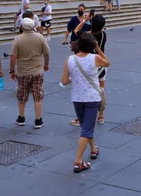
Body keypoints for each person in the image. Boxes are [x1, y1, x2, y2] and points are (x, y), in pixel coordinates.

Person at [61, 33, 109, 173]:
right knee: (86, 129)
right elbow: (107, 63)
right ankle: (78, 162)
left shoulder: (70, 59)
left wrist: (73, 79)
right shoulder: (95, 58)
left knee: (85, 126)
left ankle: (93, 149)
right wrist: (98, 48)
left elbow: (64, 82)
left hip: (77, 98)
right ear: (91, 46)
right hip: (92, 98)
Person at [10, 18, 50, 129]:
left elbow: (13, 56)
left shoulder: (18, 39)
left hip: (23, 71)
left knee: (22, 94)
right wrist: (46, 64)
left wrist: (12, 70)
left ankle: (21, 117)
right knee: (38, 95)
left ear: (22, 27)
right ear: (33, 26)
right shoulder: (40, 37)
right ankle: (38, 119)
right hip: (37, 70)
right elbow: (46, 52)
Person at [70, 14, 108, 127]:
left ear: (91, 23)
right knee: (101, 90)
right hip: (101, 64)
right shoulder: (103, 35)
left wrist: (85, 20)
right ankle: (101, 116)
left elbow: (76, 30)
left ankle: (81, 117)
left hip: (89, 65)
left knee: (87, 90)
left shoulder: (86, 35)